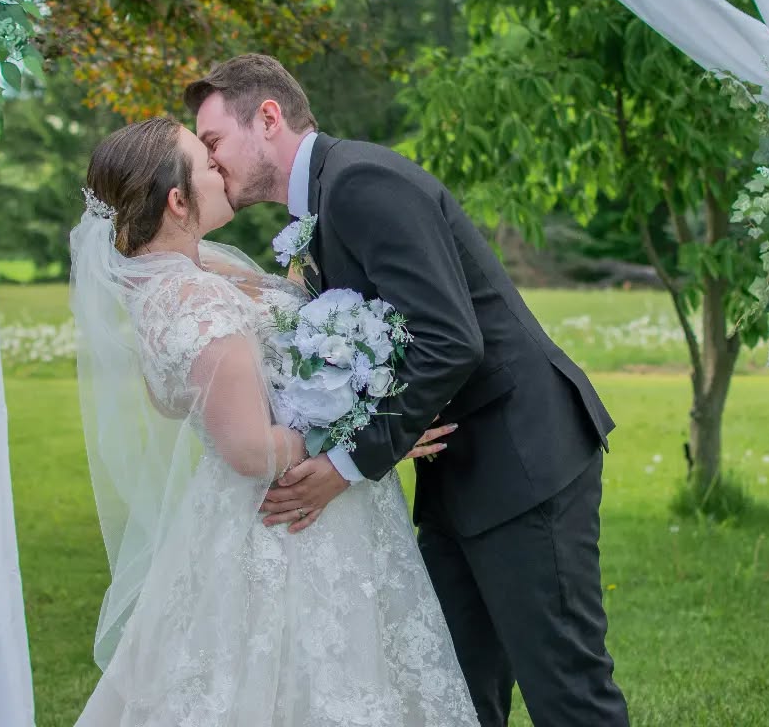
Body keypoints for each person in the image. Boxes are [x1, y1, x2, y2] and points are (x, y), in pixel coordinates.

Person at [188, 54, 629, 727]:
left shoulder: (360, 181)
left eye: (214, 141)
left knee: (567, 692)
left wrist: (346, 463)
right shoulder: (327, 200)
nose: (211, 161)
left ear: (268, 118)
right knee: (452, 694)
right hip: (458, 474)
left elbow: (451, 338)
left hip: (523, 460)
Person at [69, 115, 478, 727]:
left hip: (251, 511)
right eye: (205, 162)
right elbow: (249, 449)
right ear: (178, 201)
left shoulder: (182, 275)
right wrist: (374, 430)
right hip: (285, 521)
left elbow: (174, 397)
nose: (219, 166)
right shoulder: (195, 300)